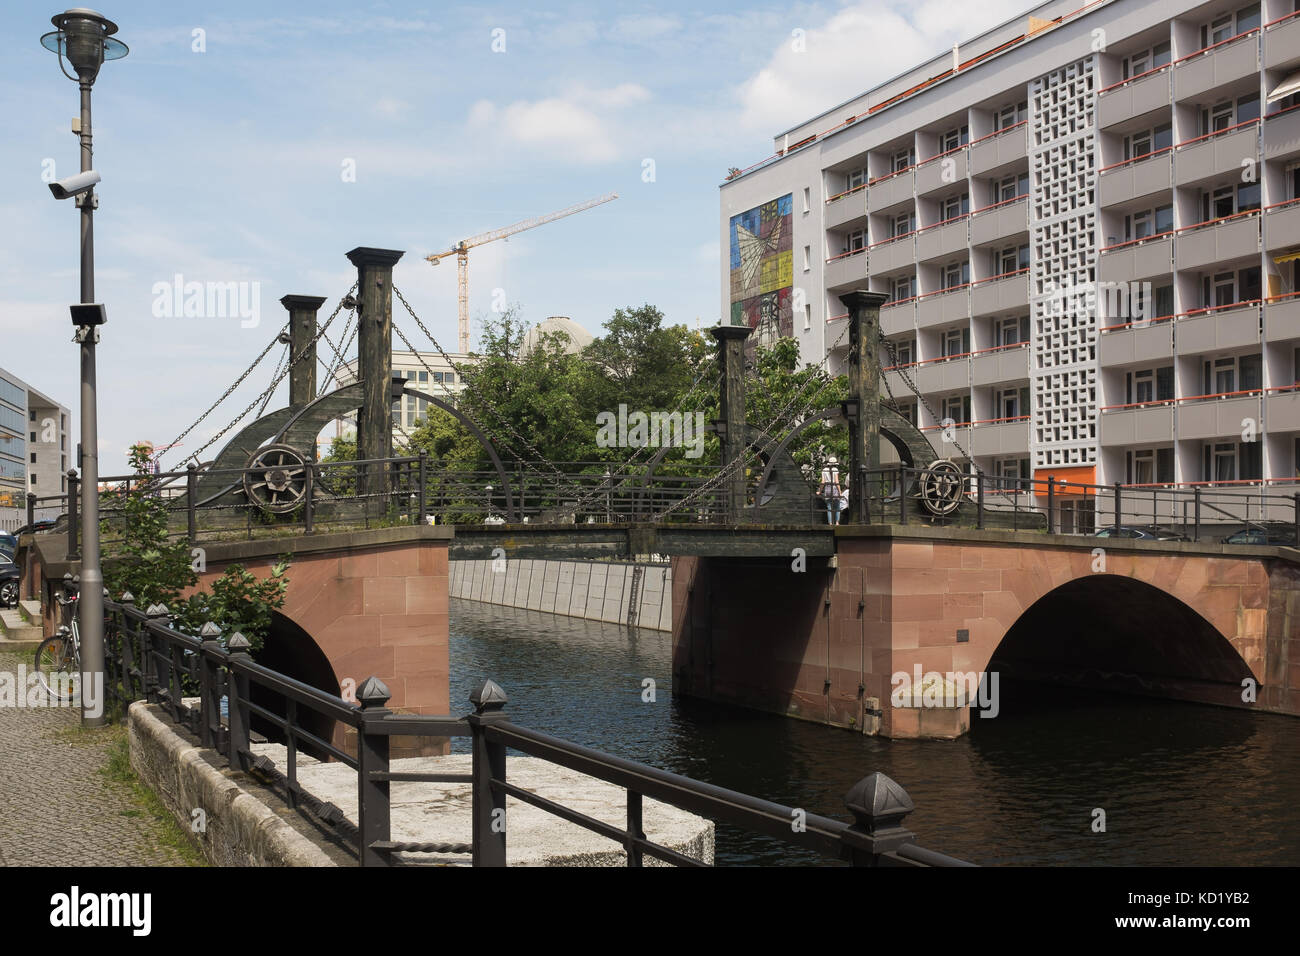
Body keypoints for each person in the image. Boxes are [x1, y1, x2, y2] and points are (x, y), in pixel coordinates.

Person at [820, 457, 843, 525]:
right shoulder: (835, 469)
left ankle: (830, 523)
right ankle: (837, 522)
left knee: (829, 507)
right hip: (834, 488)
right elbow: (836, 482)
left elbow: (823, 482)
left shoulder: (824, 470)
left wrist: (820, 491)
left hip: (827, 488)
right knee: (837, 506)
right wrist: (840, 492)